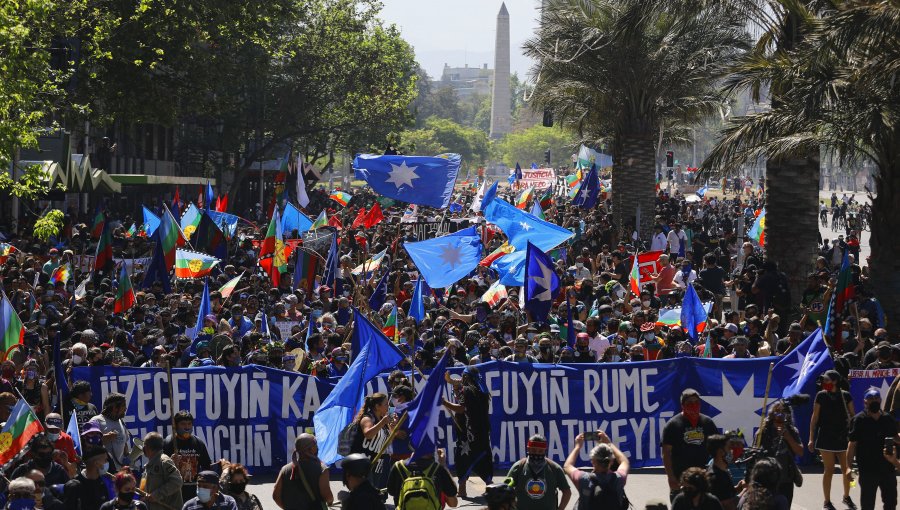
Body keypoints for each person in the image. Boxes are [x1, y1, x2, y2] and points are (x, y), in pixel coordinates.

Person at [442, 365, 493, 498]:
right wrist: (452, 382)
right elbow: (461, 393)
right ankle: (490, 486)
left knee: (463, 458)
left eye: (462, 377)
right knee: (482, 458)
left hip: (467, 433)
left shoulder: (467, 391)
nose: (460, 379)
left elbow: (461, 408)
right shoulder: (481, 390)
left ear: (466, 377)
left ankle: (462, 490)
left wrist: (444, 402)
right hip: (480, 432)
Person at [808, 370, 856, 510]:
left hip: (843, 437)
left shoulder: (845, 395)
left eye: (827, 380)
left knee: (848, 470)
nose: (824, 383)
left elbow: (853, 415)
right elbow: (814, 418)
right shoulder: (821, 395)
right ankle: (827, 501)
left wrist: (854, 434)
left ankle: (847, 496)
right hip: (826, 437)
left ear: (835, 381)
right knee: (828, 470)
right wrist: (811, 438)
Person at [662, 389, 719, 501]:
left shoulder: (708, 423)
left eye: (696, 402)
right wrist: (671, 477)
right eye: (690, 403)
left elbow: (717, 448)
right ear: (683, 405)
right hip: (681, 479)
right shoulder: (673, 425)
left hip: (704, 478)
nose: (694, 405)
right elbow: (666, 453)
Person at [847, 388, 898, 510]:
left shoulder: (888, 418)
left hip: (888, 469)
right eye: (870, 399)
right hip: (867, 470)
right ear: (865, 402)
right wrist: (848, 467)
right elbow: (852, 445)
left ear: (880, 399)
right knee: (868, 504)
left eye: (876, 398)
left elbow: (896, 437)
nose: (874, 401)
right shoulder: (858, 420)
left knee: (891, 503)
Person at [562, 431, 628, 510]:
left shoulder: (584, 479)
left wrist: (577, 446)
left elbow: (567, 466)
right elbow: (624, 461)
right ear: (611, 461)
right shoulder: (619, 478)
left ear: (593, 461)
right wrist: (609, 443)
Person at [754, 401, 803, 505]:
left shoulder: (792, 430)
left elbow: (800, 452)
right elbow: (755, 452)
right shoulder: (763, 431)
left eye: (783, 412)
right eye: (777, 412)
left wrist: (788, 437)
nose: (780, 415)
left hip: (786, 479)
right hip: (766, 479)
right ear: (772, 414)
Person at [505, 434, 570, 510]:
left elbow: (567, 492)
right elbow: (505, 489)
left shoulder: (555, 468)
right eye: (533, 450)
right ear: (528, 449)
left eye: (540, 451)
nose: (537, 453)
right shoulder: (518, 467)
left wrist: (560, 508)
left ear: (545, 450)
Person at [272, 434, 333, 510]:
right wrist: (331, 501)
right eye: (315, 445)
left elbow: (275, 496)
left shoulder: (285, 469)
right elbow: (327, 496)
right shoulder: (322, 469)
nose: (317, 448)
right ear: (310, 449)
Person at [163, 411, 212, 503]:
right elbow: (160, 470)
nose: (187, 427)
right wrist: (170, 461)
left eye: (189, 424)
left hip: (194, 491)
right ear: (176, 425)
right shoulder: (168, 443)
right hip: (175, 491)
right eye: (183, 424)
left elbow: (207, 466)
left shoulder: (198, 443)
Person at [386, 448, 457, 509]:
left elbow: (391, 491)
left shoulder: (398, 467)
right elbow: (453, 503)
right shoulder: (438, 469)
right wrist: (443, 465)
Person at [350, 393, 393, 489]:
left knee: (374, 492)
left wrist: (392, 425)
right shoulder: (367, 418)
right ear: (377, 406)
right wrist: (382, 423)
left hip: (377, 464)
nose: (388, 407)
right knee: (365, 492)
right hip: (363, 463)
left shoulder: (383, 420)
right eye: (386, 404)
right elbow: (368, 434)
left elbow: (389, 440)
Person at [140, 432, 184, 510]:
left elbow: (177, 482)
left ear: (146, 448)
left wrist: (157, 495)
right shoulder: (149, 465)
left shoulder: (164, 461)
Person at [89, 393, 132, 472]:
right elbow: (88, 445)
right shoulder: (96, 421)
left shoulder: (121, 422)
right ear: (114, 408)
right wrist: (104, 438)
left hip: (120, 472)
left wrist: (127, 457)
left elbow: (124, 442)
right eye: (123, 406)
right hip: (102, 472)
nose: (125, 408)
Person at [63, 444, 115, 510]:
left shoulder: (105, 482)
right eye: (105, 460)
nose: (107, 462)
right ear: (96, 463)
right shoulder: (74, 486)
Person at [705, 435, 743, 510]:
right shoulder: (717, 476)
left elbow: (724, 493)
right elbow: (728, 505)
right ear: (720, 452)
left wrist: (738, 488)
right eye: (729, 448)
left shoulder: (719, 471)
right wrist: (745, 492)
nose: (732, 451)